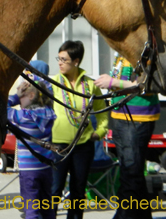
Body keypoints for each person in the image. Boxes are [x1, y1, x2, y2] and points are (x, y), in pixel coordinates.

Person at [94, 55, 160, 219]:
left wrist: (113, 83)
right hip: (121, 116)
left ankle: (124, 215)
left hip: (137, 119)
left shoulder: (142, 53)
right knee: (133, 171)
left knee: (130, 173)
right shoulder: (121, 54)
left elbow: (146, 85)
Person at [50, 40, 108, 219]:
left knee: (77, 190)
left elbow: (102, 113)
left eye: (64, 59)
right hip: (58, 146)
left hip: (83, 146)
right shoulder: (52, 83)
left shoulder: (90, 85)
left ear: (76, 61)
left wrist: (100, 132)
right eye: (58, 58)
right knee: (54, 190)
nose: (59, 63)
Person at [7, 63, 56, 219]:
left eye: (22, 95)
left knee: (31, 210)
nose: (19, 99)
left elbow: (3, 105)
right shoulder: (50, 113)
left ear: (31, 96)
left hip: (28, 172)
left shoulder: (23, 118)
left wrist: (15, 96)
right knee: (47, 207)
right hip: (46, 167)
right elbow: (47, 93)